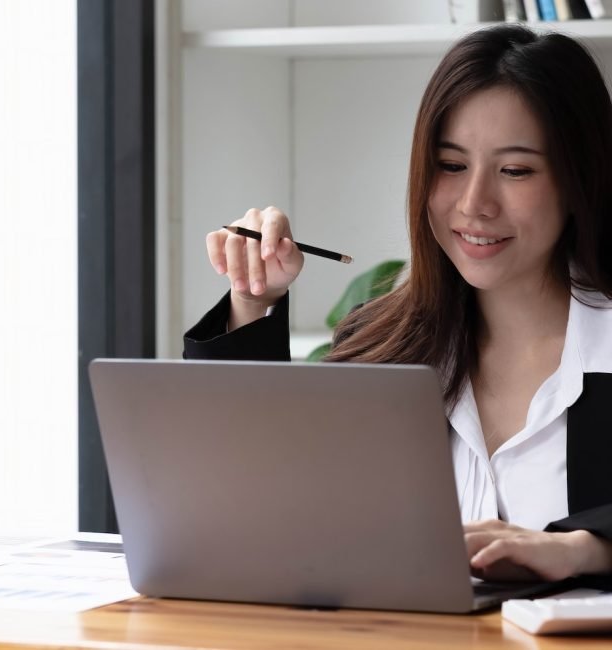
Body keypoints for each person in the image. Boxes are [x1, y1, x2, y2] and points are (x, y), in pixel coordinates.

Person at [184, 23, 612, 585]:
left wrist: (588, 550)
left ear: (579, 179)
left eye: (515, 171)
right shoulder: (380, 348)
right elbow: (250, 505)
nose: (475, 204)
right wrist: (253, 296)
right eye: (451, 165)